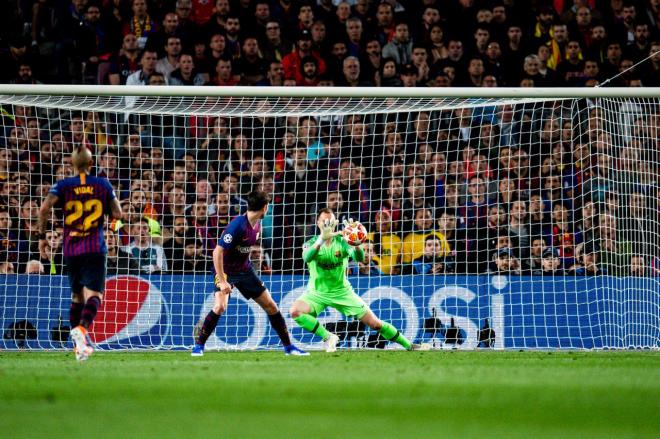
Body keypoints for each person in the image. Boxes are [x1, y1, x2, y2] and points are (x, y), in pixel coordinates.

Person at [290, 208, 430, 352]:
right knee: (295, 311)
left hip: (342, 292)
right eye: (324, 221)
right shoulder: (310, 243)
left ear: (335, 223)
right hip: (316, 293)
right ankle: (328, 337)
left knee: (375, 324)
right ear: (318, 222)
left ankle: (410, 345)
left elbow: (360, 258)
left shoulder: (343, 242)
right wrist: (321, 239)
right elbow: (307, 257)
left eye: (330, 221)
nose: (328, 224)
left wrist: (356, 245)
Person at [192, 190, 307, 356]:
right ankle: (199, 346)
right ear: (265, 208)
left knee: (271, 306)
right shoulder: (237, 225)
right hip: (226, 271)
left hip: (245, 270)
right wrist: (223, 281)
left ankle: (289, 347)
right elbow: (217, 252)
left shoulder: (257, 224)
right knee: (220, 306)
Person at [37, 146, 123, 361]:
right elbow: (118, 213)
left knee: (76, 296)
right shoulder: (102, 184)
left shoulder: (63, 185)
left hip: (71, 248)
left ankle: (79, 347)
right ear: (92, 164)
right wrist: (110, 226)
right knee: (94, 296)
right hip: (94, 247)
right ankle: (82, 329)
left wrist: (40, 237)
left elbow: (44, 209)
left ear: (72, 164)